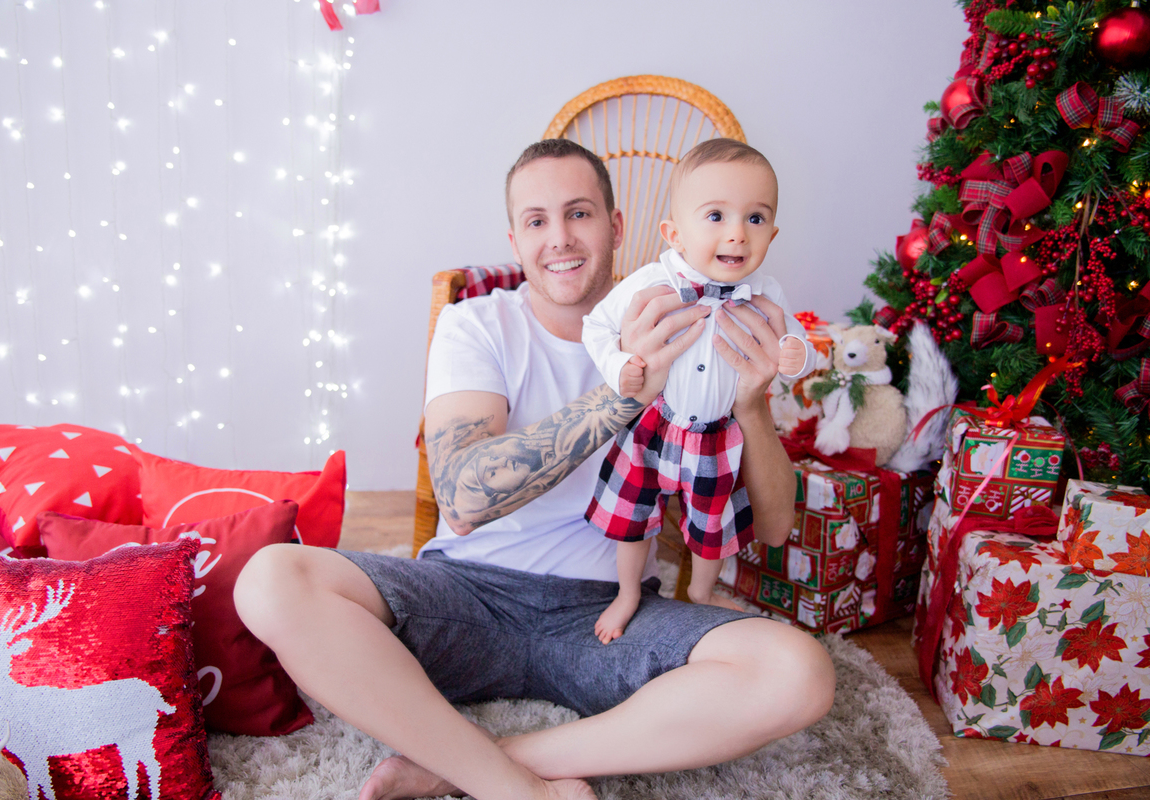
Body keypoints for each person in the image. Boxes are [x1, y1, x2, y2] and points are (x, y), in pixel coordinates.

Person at [233, 138, 835, 800]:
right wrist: (622, 395)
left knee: (800, 672)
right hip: (463, 594)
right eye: (537, 221)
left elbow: (775, 529)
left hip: (606, 616)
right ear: (516, 241)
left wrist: (750, 407)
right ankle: (519, 791)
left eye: (579, 213)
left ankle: (469, 762)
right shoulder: (477, 326)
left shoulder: (688, 323)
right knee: (269, 579)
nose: (560, 239)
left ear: (618, 226)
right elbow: (463, 496)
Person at [582, 138, 817, 645]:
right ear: (675, 234)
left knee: (714, 528)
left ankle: (701, 593)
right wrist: (619, 362)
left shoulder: (766, 293)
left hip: (718, 434)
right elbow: (595, 326)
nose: (737, 233)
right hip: (654, 426)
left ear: (772, 233)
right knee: (633, 517)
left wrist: (799, 355)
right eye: (716, 216)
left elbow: (794, 338)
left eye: (755, 219)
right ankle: (627, 593)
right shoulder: (654, 281)